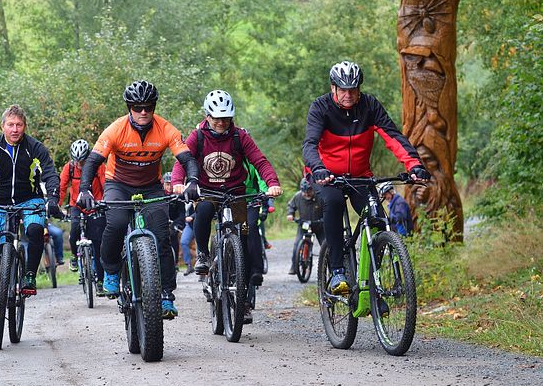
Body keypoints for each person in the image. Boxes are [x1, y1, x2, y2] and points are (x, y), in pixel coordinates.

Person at [302, 61, 430, 295]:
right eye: (343, 90)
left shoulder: (369, 106)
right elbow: (309, 144)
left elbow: (392, 136)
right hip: (326, 176)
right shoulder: (320, 107)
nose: (348, 95)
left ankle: (371, 281)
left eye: (353, 89)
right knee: (334, 202)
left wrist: (414, 164)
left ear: (359, 89)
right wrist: (318, 168)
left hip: (360, 176)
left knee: (379, 220)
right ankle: (338, 270)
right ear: (333, 88)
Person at [77, 80, 201, 320]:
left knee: (162, 237)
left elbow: (187, 158)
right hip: (118, 184)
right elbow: (92, 162)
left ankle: (166, 294)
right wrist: (85, 190)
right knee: (116, 223)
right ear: (129, 108)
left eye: (148, 107)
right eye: (137, 107)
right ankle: (112, 272)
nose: (143, 112)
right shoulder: (115, 130)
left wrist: (193, 180)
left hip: (150, 187)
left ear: (153, 107)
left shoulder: (165, 129)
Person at [171, 89, 282, 323]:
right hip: (207, 191)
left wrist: (272, 182)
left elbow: (259, 161)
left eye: (226, 117)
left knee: (245, 242)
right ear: (208, 116)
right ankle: (203, 254)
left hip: (235, 193)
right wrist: (178, 183)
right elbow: (183, 159)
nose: (221, 122)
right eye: (216, 117)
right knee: (203, 210)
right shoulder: (197, 136)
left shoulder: (239, 136)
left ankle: (243, 302)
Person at [0, 104, 60, 320]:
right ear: (3, 126)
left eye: (19, 125)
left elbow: (50, 173)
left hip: (30, 199)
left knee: (35, 230)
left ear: (24, 126)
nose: (15, 129)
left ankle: (29, 276)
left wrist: (52, 198)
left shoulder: (34, 147)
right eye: (11, 125)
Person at [60, 138, 107, 294]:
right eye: (77, 161)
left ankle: (100, 282)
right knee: (74, 230)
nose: (80, 164)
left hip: (95, 205)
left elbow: (105, 184)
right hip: (76, 206)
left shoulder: (98, 166)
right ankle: (74, 256)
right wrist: (57, 206)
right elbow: (61, 187)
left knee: (98, 244)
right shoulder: (70, 168)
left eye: (83, 161)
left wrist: (105, 202)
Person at [286, 178, 325, 275]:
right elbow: (291, 206)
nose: (306, 194)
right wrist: (290, 214)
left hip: (319, 225)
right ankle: (294, 267)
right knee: (297, 244)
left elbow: (327, 209)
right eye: (304, 192)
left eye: (309, 191)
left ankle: (330, 267)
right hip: (304, 224)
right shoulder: (298, 196)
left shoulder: (320, 196)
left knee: (325, 245)